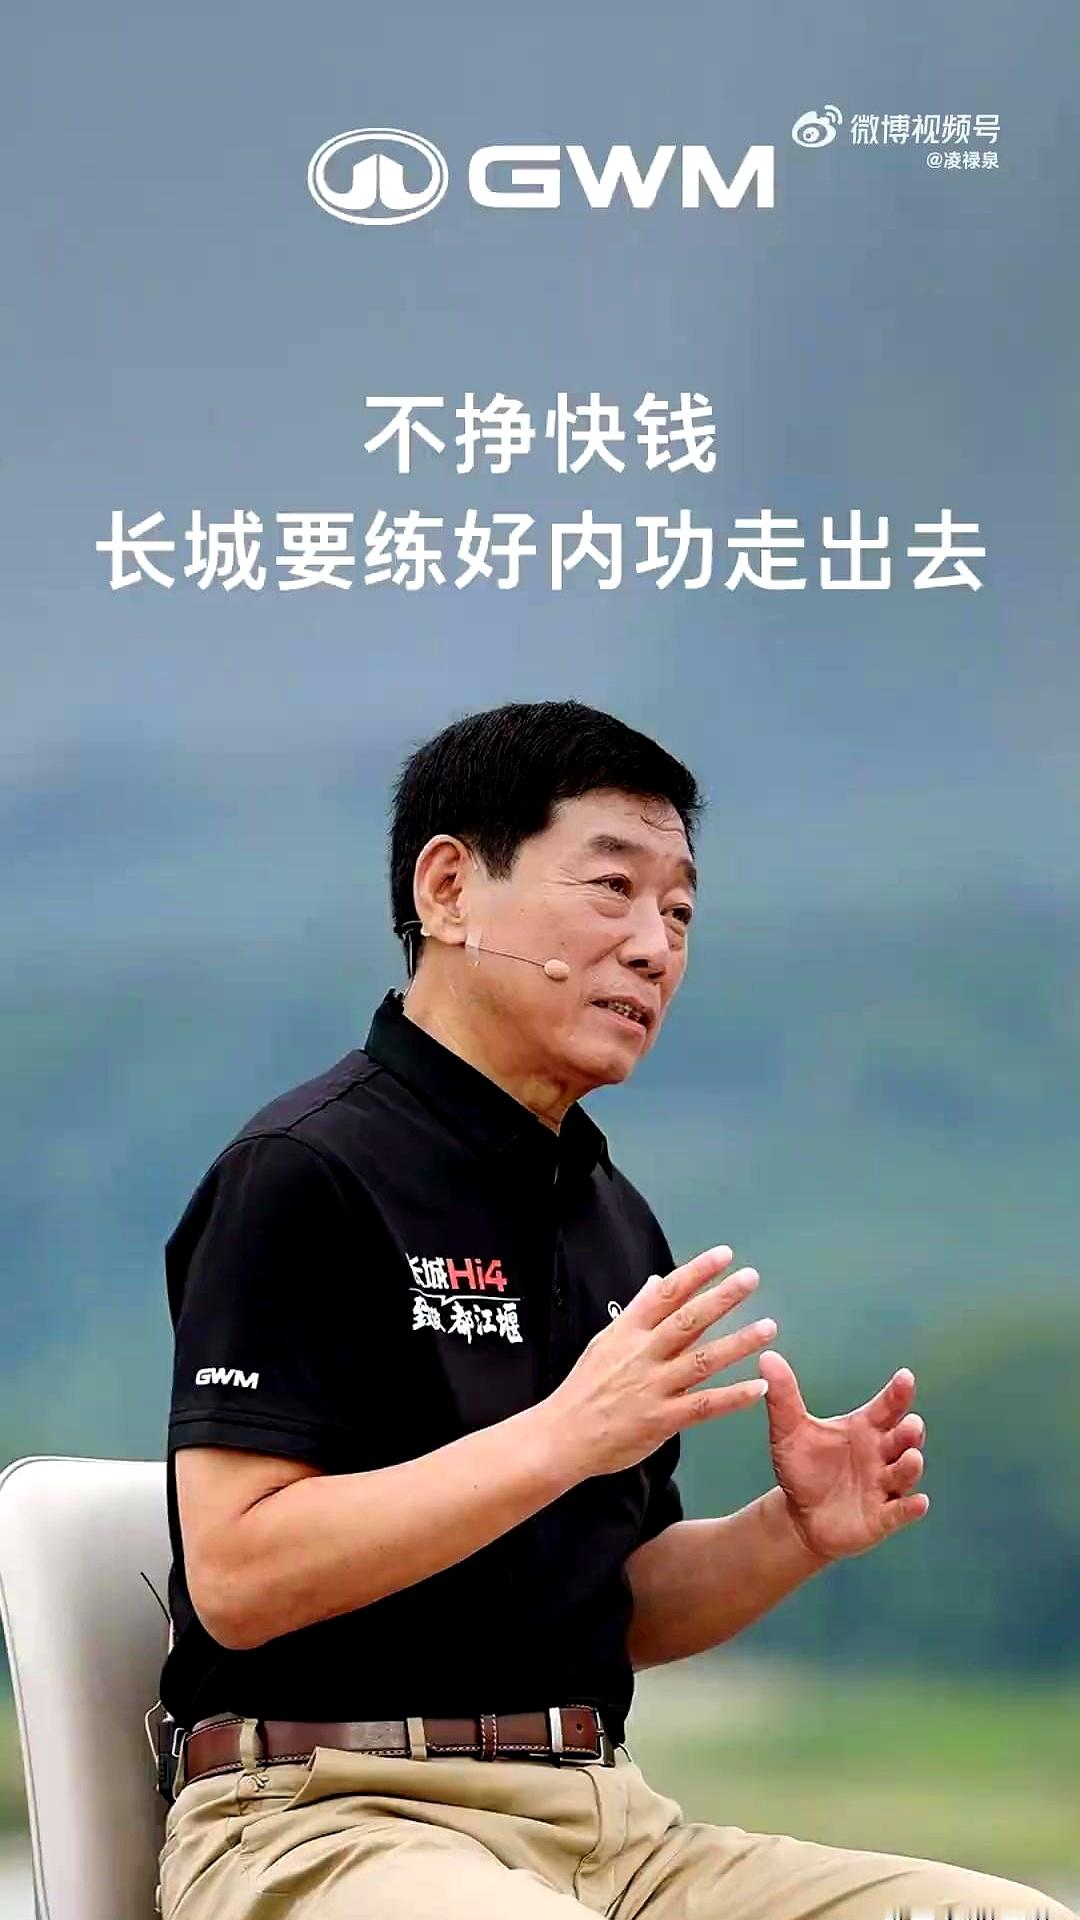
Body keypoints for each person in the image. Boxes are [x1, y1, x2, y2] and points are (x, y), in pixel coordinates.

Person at [154, 700, 1074, 1920]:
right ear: (449, 889)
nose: (654, 948)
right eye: (612, 889)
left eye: (679, 913)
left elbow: (619, 1602)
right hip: (330, 1819)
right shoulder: (303, 1173)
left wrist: (792, 1533)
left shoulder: (612, 1219)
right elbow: (238, 1574)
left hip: (611, 1829)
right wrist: (564, 1435)